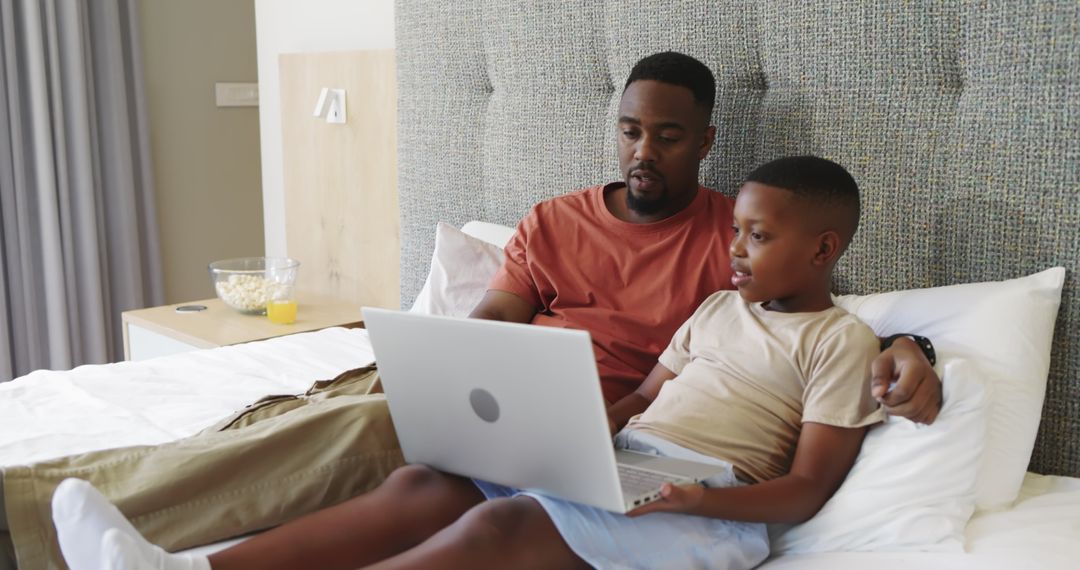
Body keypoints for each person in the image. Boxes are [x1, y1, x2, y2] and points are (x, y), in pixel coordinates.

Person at [5, 51, 940, 568]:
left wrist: (908, 344)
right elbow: (504, 326)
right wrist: (466, 377)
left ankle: (30, 522)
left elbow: (827, 331)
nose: (643, 150)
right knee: (332, 428)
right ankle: (172, 566)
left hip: (647, 461)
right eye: (629, 129)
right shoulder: (563, 222)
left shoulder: (723, 249)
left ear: (703, 143)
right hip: (526, 411)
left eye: (667, 134)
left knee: (358, 433)